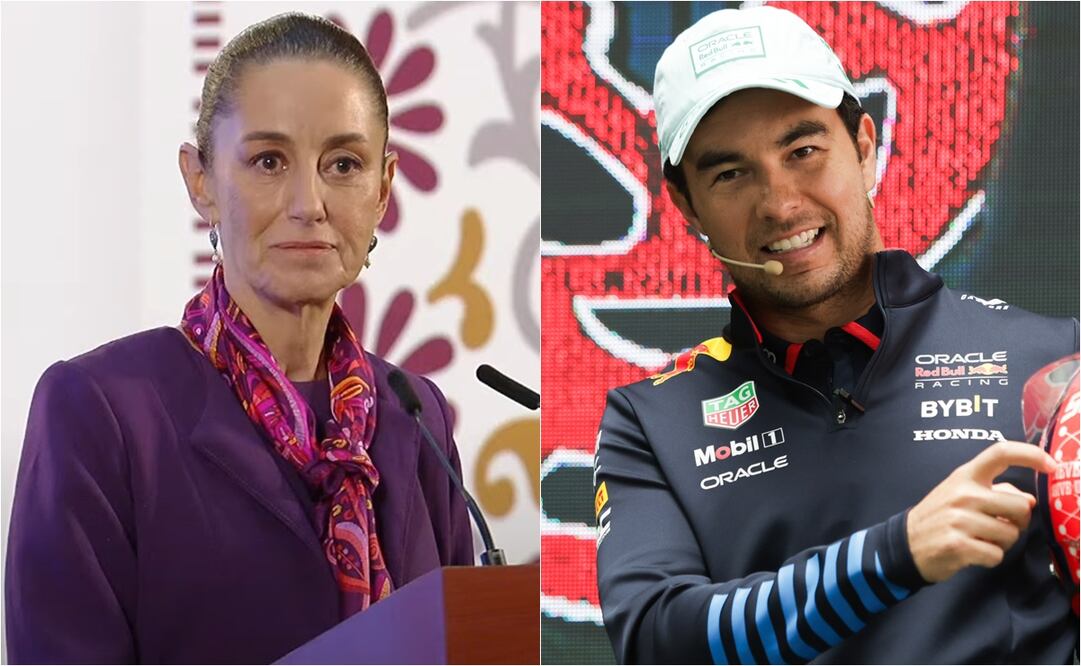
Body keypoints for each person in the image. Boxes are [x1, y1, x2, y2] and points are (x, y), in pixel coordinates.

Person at [593, 6, 1079, 664]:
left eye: (803, 152)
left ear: (865, 146)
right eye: (731, 174)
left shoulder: (1055, 365)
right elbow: (655, 642)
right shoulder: (651, 421)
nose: (780, 203)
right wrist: (894, 556)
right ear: (686, 205)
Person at [5, 13, 472, 664]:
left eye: (343, 164)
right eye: (268, 161)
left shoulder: (415, 416)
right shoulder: (100, 411)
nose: (309, 203)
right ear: (200, 181)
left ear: (383, 188)